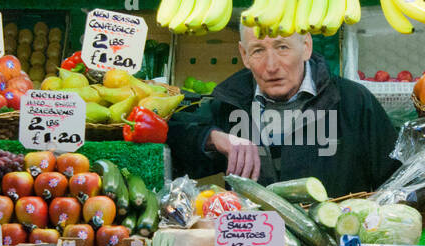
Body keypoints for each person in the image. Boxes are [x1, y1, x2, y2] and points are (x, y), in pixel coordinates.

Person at [171, 25, 400, 198]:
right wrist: (213, 138)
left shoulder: (353, 102)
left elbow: (398, 181)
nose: (271, 66)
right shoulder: (231, 101)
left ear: (306, 47)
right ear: (244, 55)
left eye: (282, 47)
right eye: (258, 50)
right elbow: (172, 133)